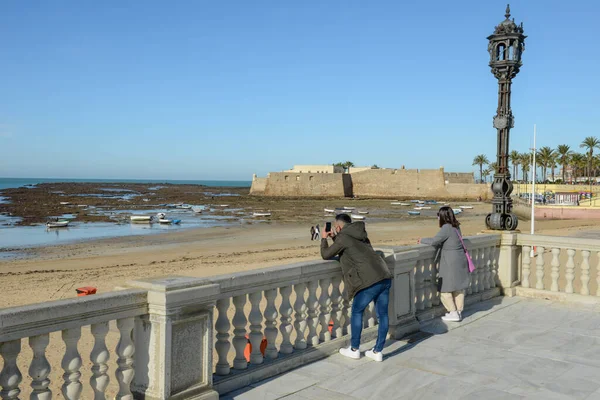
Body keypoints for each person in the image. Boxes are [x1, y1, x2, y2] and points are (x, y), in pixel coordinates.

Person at [321, 214, 392, 362]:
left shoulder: (343, 237)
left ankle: (354, 349)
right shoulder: (361, 234)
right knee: (383, 315)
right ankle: (377, 351)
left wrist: (323, 238)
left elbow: (326, 254)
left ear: (338, 227)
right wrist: (335, 238)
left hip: (368, 280)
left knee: (357, 312)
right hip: (384, 275)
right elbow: (350, 249)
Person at [418, 206, 469, 322]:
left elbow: (434, 241)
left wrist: (421, 240)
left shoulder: (446, 228)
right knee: (458, 287)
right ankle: (459, 311)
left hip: (450, 262)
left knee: (445, 287)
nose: (437, 218)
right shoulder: (457, 226)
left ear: (442, 216)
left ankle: (453, 312)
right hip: (460, 259)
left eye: (438, 215)